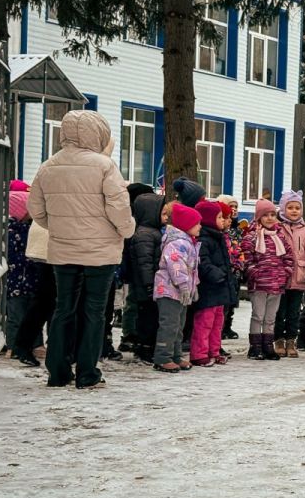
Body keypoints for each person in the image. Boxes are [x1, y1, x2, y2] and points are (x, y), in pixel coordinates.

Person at [28, 111, 135, 389]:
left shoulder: (48, 166)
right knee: (94, 311)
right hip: (100, 252)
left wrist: (61, 227)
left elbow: (37, 211)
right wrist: (127, 230)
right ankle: (88, 372)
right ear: (97, 132)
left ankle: (58, 371)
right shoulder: (104, 166)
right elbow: (119, 207)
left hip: (63, 250)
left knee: (63, 309)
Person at [241, 198, 294, 360]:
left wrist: (285, 272)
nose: (270, 218)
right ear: (258, 218)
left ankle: (268, 345)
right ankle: (255, 346)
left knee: (270, 318)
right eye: (266, 215)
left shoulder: (280, 238)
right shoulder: (251, 238)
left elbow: (289, 258)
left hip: (277, 284)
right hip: (259, 284)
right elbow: (247, 259)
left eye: (273, 214)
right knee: (258, 315)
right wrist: (254, 273)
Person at [152, 203, 200, 373]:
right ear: (187, 225)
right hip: (169, 291)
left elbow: (192, 268)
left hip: (181, 292)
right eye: (196, 223)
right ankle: (163, 356)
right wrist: (184, 286)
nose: (199, 226)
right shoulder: (177, 243)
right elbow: (176, 267)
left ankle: (176, 354)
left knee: (179, 325)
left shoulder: (189, 242)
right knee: (169, 325)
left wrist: (193, 287)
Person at [190, 200, 237, 366]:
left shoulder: (217, 237)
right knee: (204, 323)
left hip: (220, 288)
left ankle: (214, 350)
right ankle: (199, 353)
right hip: (209, 288)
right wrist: (217, 274)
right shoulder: (204, 239)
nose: (223, 220)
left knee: (217, 323)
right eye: (219, 217)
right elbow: (202, 261)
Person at [274, 190, 305, 357]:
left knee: (294, 313)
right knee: (279, 312)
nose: (294, 211)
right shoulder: (277, 228)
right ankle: (278, 340)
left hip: (299, 278)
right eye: (290, 207)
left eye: (297, 208)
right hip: (280, 277)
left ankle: (291, 341)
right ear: (283, 208)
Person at [6, 188, 42, 366]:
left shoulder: (26, 228)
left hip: (28, 279)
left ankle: (34, 344)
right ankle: (13, 345)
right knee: (17, 315)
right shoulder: (13, 230)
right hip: (17, 281)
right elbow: (14, 255)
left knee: (31, 312)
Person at [128, 192, 165, 363]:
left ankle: (147, 345)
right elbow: (144, 263)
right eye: (162, 213)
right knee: (147, 319)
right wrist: (149, 284)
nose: (165, 217)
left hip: (151, 285)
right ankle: (144, 347)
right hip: (146, 286)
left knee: (151, 317)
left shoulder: (153, 232)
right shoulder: (145, 234)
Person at [216, 194, 243, 340]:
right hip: (225, 270)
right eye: (230, 207)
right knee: (224, 303)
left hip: (236, 270)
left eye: (236, 207)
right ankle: (222, 328)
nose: (234, 210)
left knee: (233, 301)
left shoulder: (237, 228)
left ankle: (228, 326)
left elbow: (240, 246)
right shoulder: (222, 229)